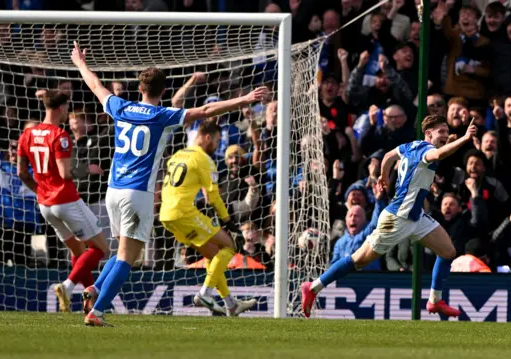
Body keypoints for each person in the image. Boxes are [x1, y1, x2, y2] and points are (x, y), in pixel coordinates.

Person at [70, 42, 268, 326]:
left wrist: (80, 63)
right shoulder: (162, 116)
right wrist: (243, 99)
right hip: (138, 193)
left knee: (119, 251)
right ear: (163, 92)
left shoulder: (119, 106)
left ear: (139, 88)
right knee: (127, 258)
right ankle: (97, 312)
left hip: (112, 191)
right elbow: (206, 109)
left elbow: (95, 85)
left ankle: (95, 288)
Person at [300, 115, 478, 318]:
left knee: (448, 252)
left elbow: (388, 157)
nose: (445, 136)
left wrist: (384, 176)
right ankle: (313, 287)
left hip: (416, 216)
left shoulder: (411, 146)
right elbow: (437, 155)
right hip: (397, 218)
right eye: (441, 132)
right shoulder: (426, 151)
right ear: (428, 134)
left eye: (447, 132)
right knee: (358, 260)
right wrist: (463, 139)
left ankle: (434, 301)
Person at [16, 89, 109, 314]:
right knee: (101, 249)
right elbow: (65, 173)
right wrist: (87, 169)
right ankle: (67, 287)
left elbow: (21, 173)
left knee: (78, 252)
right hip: (66, 199)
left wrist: (40, 191)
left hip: (45, 204)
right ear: (60, 108)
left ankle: (90, 301)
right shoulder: (60, 136)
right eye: (67, 108)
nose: (68, 112)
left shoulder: (27, 134)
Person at [160, 121, 256, 316]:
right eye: (217, 141)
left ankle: (231, 304)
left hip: (166, 215)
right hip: (183, 212)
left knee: (213, 255)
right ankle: (205, 293)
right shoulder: (203, 159)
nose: (218, 145)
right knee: (230, 245)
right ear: (207, 137)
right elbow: (213, 196)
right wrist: (228, 221)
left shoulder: (177, 155)